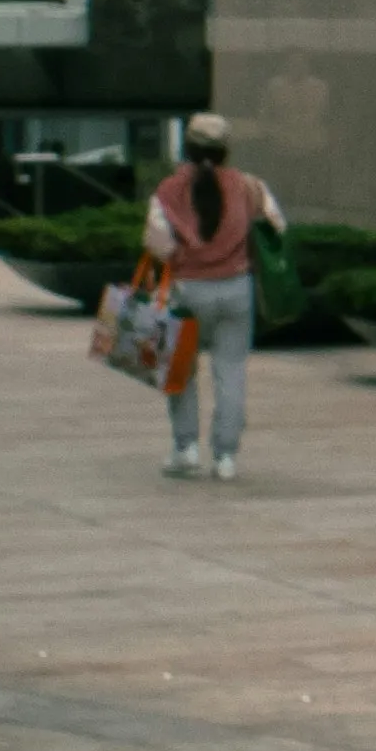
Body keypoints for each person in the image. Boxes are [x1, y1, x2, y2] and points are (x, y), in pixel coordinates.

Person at [142, 115, 283, 483]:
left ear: (186, 148)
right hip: (237, 289)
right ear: (225, 150)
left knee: (182, 371)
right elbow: (276, 226)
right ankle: (225, 457)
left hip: (187, 290)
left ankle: (185, 448)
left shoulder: (169, 190)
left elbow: (158, 242)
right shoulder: (250, 187)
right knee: (231, 372)